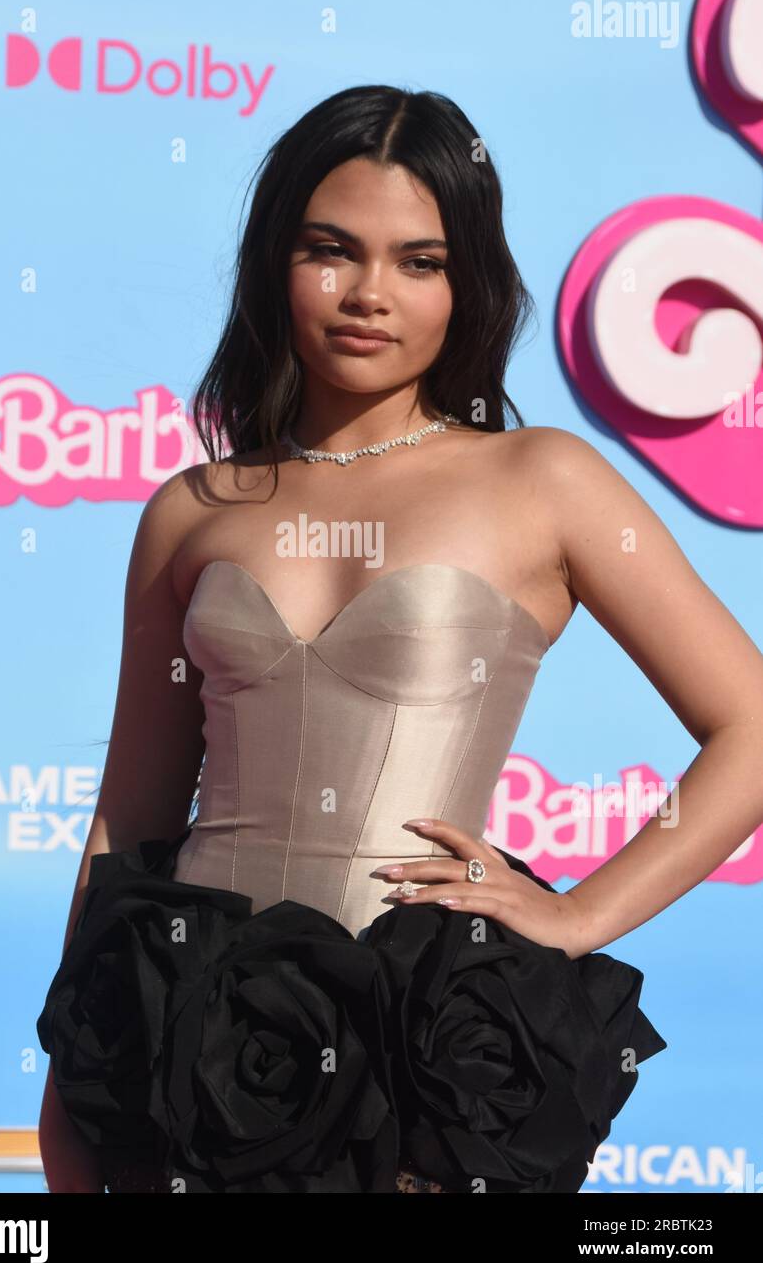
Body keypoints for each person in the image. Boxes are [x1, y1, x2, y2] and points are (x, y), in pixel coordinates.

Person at [38, 85, 763, 1194]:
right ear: (272, 262)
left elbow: (748, 726)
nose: (369, 293)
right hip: (189, 1043)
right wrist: (75, 1062)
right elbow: (130, 818)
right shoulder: (190, 509)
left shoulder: (541, 481)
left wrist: (576, 915)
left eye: (418, 260)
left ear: (466, 278)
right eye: (331, 250)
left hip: (416, 1044)